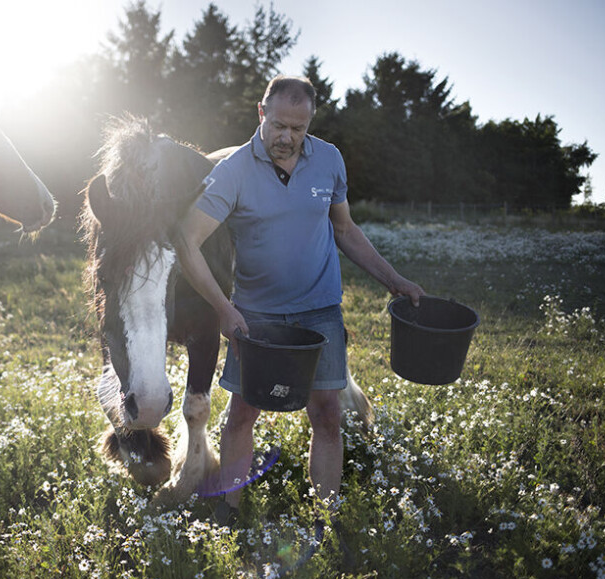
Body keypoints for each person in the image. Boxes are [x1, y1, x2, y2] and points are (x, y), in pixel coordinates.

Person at [175, 75, 425, 529]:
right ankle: (228, 510)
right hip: (258, 314)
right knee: (243, 412)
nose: (287, 137)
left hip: (319, 310)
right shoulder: (233, 171)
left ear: (309, 123)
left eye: (298, 127)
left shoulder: (329, 160)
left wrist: (395, 280)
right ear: (261, 114)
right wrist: (224, 309)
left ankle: (326, 517)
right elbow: (186, 241)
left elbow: (345, 230)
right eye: (278, 125)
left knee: (327, 413)